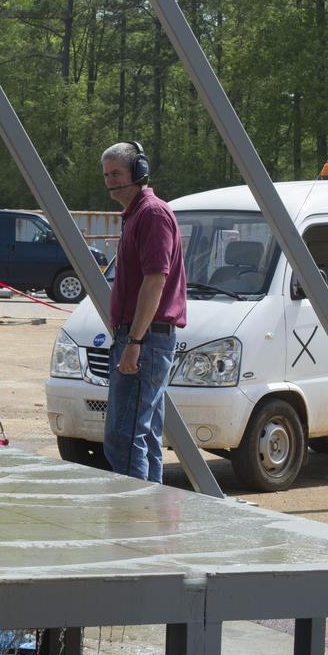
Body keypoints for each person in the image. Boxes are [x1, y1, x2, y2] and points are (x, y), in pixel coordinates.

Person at [101, 142, 187, 482]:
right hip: (141, 338)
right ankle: (150, 517)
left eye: (117, 174)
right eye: (106, 175)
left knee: (124, 437)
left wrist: (134, 340)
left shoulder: (151, 214)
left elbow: (155, 281)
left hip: (145, 339)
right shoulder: (136, 214)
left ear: (139, 172)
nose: (110, 182)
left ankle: (131, 520)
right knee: (145, 434)